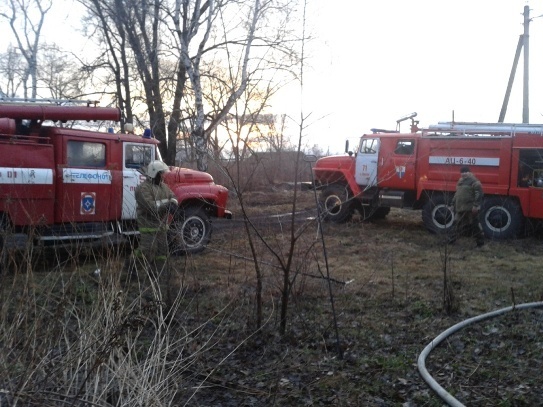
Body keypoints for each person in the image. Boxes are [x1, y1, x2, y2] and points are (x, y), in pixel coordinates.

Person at [133, 160, 178, 271]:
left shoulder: (164, 187)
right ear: (155, 173)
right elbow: (150, 207)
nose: (163, 175)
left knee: (162, 252)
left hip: (161, 227)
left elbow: (173, 196)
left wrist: (174, 203)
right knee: (146, 250)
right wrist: (167, 205)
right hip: (148, 225)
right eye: (162, 173)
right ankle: (133, 271)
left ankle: (160, 275)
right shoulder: (143, 188)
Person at [449, 166, 485, 247]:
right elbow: (457, 194)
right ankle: (451, 241)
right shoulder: (460, 182)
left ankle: (480, 242)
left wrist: (475, 206)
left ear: (469, 172)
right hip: (460, 208)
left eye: (466, 172)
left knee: (475, 225)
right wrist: (452, 204)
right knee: (455, 224)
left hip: (470, 209)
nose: (464, 173)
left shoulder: (475, 182)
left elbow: (479, 194)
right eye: (462, 172)